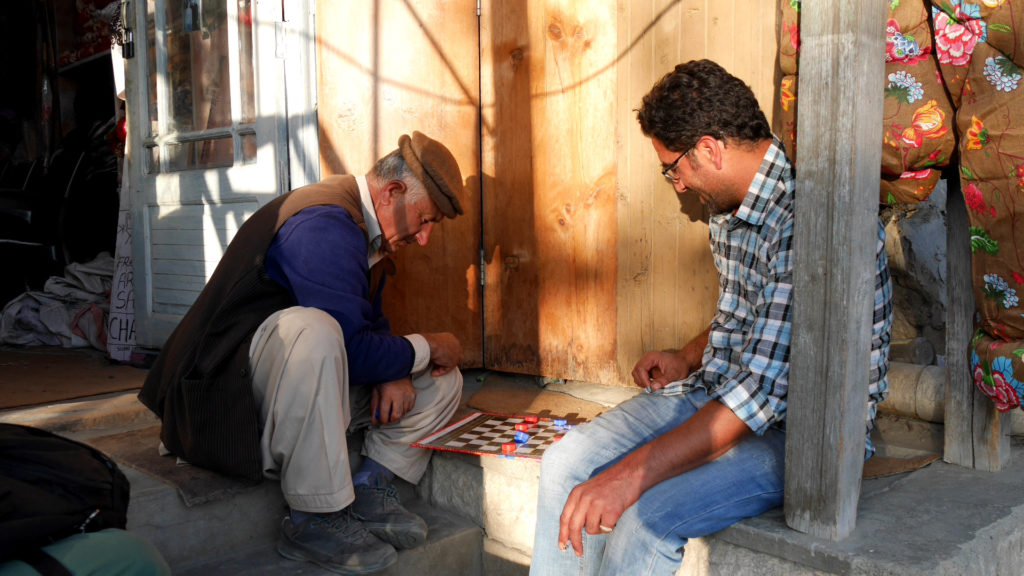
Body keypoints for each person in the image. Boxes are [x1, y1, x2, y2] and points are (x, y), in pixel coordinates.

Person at [529, 60, 893, 575]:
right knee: (565, 464)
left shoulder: (809, 221)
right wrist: (686, 355)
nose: (675, 185)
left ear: (709, 148)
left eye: (672, 167)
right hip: (721, 394)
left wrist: (628, 477)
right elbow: (748, 315)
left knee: (646, 515)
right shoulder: (729, 207)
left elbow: (760, 398)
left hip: (804, 435)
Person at [139, 131, 467, 575]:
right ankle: (315, 517)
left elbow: (365, 324)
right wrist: (427, 346)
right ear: (393, 192)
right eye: (425, 220)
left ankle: (371, 484)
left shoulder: (362, 231)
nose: (424, 238)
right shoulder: (324, 223)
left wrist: (401, 368)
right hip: (221, 404)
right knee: (315, 330)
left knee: (443, 377)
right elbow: (348, 345)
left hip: (292, 394)